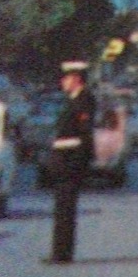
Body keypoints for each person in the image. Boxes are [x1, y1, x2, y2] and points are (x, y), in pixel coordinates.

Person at [47, 61, 96, 264]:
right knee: (62, 209)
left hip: (71, 161)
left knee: (66, 210)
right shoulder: (73, 100)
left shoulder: (84, 101)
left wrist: (73, 161)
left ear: (76, 79)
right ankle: (59, 251)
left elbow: (82, 135)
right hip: (64, 161)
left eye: (66, 78)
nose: (62, 82)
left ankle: (63, 254)